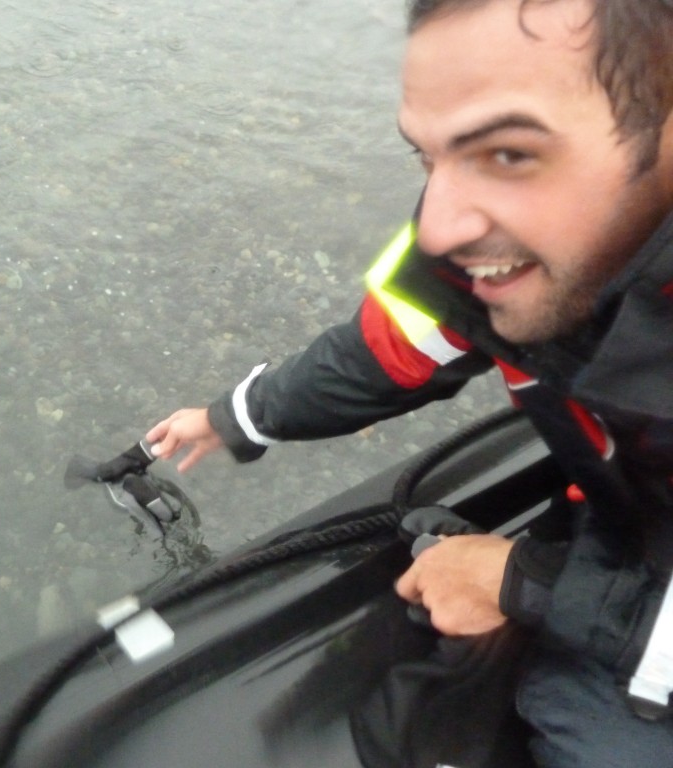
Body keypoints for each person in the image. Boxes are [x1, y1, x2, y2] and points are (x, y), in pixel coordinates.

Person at [146, 0, 673, 765]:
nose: (438, 227)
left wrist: (526, 584)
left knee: (580, 727)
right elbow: (382, 352)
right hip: (632, 521)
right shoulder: (497, 256)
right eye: (429, 159)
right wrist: (234, 417)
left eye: (510, 154)